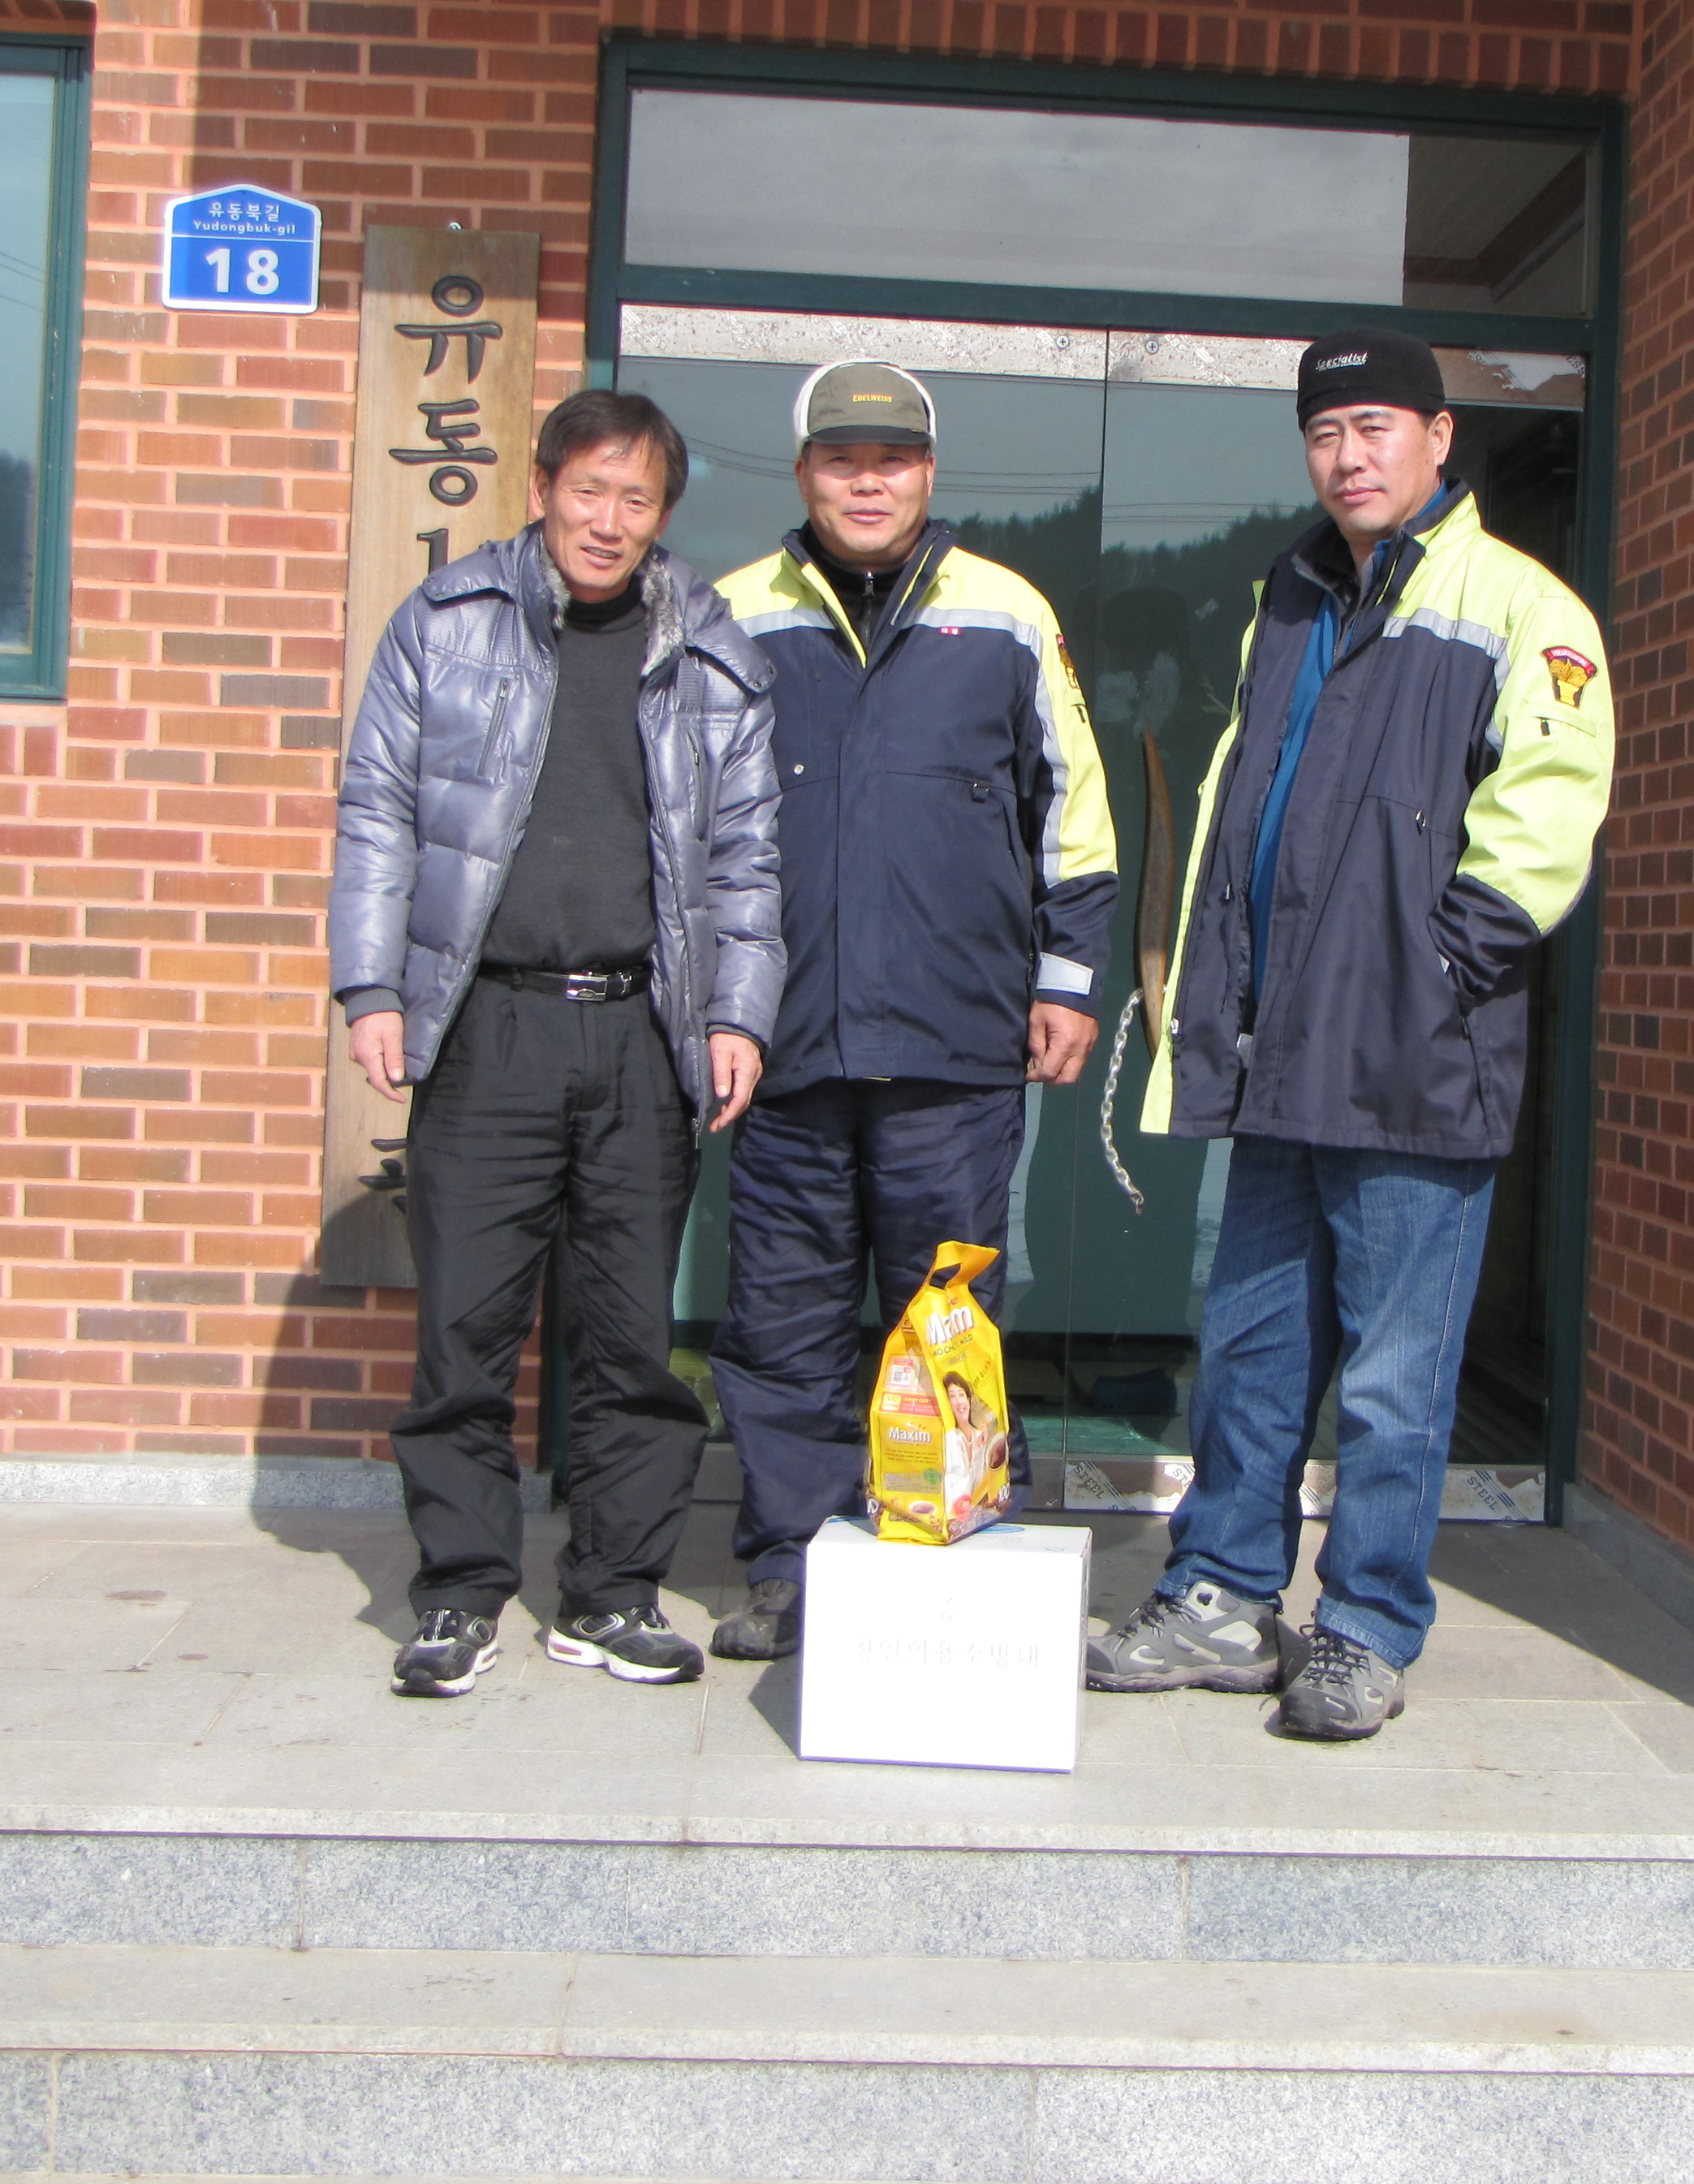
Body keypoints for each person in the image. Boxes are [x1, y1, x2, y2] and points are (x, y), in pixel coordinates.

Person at [1089, 326, 1613, 1742]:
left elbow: (1549, 808)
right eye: (1325, 432)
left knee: (1392, 1375)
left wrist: (1439, 968)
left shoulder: (1521, 606)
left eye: (1377, 426)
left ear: (1440, 438)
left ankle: (1368, 1625)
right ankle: (1220, 1593)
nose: (1348, 455)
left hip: (1411, 1053)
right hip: (1280, 1051)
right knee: (1252, 1348)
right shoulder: (1292, 596)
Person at [330, 389, 782, 1699]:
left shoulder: (711, 650)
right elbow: (379, 810)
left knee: (633, 1341)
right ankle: (460, 1593)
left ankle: (613, 1592)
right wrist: (371, 987)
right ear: (541, 490)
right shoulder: (447, 621)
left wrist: (736, 1012)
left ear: (664, 514)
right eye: (589, 490)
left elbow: (748, 858)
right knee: (465, 1329)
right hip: (491, 1025)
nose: (608, 519)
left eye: (636, 498)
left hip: (643, 1031)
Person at [706, 359, 1116, 1660]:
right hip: (785, 1045)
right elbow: (687, 826)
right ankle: (791, 1563)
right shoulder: (733, 614)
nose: (868, 481)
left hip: (955, 1044)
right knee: (784, 1319)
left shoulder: (1007, 612)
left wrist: (1068, 980)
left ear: (930, 473)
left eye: (892, 460)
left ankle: (948, 1554)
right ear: (803, 473)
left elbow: (1075, 807)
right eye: (842, 459)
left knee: (944, 1317)